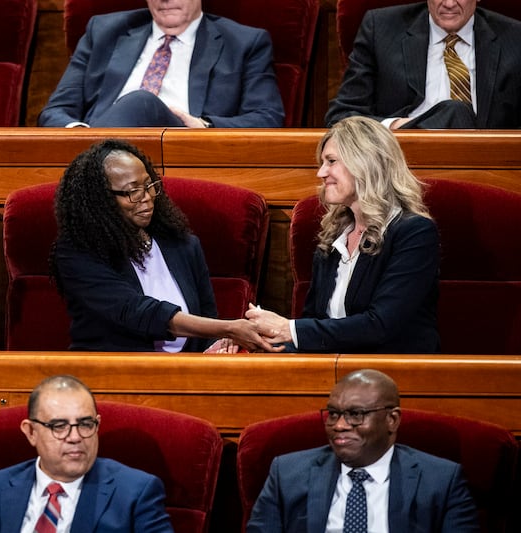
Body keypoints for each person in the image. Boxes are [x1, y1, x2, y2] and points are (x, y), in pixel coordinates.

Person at [50, 139, 278, 352]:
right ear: (100, 200)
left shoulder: (184, 245)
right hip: (113, 375)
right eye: (132, 191)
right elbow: (137, 312)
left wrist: (218, 345)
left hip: (185, 376)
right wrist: (227, 328)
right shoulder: (77, 254)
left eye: (149, 185)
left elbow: (207, 317)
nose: (147, 197)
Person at [246, 116, 440, 353]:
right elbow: (315, 327)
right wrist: (262, 342)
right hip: (330, 370)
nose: (321, 172)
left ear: (365, 163)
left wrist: (289, 329)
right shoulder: (333, 237)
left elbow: (381, 326)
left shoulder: (414, 232)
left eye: (331, 161)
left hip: (391, 375)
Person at [246, 369, 479, 532]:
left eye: (356, 414)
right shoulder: (287, 474)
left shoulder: (440, 481)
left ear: (392, 420)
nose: (339, 425)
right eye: (333, 414)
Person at [0, 374, 174, 532]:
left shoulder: (135, 493)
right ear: (31, 432)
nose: (75, 437)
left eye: (85, 424)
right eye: (59, 426)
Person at [38, 0, 284, 128]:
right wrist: (81, 136)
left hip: (181, 151)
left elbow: (268, 117)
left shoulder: (243, 42)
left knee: (141, 101)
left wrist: (204, 125)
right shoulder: (103, 32)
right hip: (101, 146)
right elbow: (54, 112)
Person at [326, 0, 521, 129]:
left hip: (486, 166)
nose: (449, 4)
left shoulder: (514, 39)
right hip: (397, 162)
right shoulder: (381, 29)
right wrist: (398, 128)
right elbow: (341, 116)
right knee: (454, 111)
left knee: (456, 112)